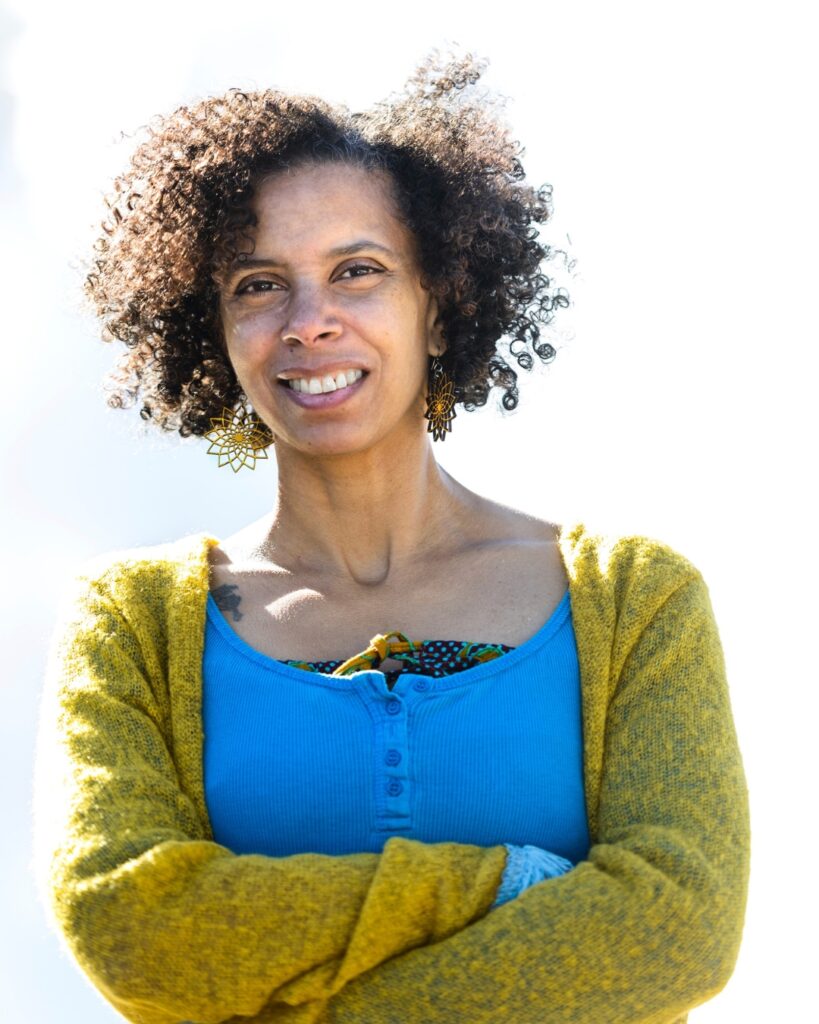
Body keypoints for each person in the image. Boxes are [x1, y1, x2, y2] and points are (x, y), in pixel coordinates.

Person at [33, 50, 750, 1024]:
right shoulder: (128, 624)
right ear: (215, 328)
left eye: (356, 272)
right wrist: (500, 887)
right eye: (258, 284)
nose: (309, 321)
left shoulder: (636, 599)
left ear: (439, 303)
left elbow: (679, 928)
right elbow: (129, 924)